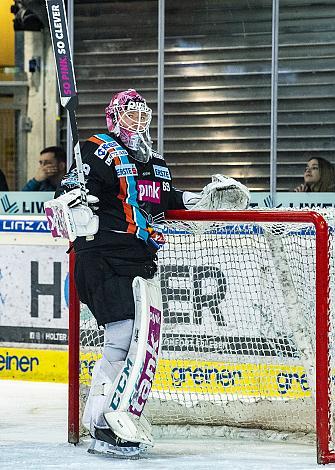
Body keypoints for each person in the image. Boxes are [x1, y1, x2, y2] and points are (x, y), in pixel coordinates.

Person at [52, 89, 249, 458]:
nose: (137, 118)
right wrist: (75, 195)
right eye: (129, 111)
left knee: (136, 345)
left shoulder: (156, 162)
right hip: (102, 257)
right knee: (121, 339)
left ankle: (109, 419)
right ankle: (100, 425)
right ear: (113, 116)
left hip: (139, 263)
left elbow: (168, 199)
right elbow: (73, 190)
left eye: (142, 112)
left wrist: (202, 199)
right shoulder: (96, 148)